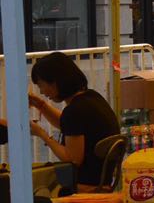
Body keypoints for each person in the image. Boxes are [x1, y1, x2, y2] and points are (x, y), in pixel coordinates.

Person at [27, 53, 120, 187]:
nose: (42, 92)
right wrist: (41, 106)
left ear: (55, 82)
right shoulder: (92, 98)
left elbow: (73, 159)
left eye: (41, 85)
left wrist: (43, 135)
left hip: (86, 185)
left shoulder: (74, 111)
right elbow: (68, 125)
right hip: (102, 180)